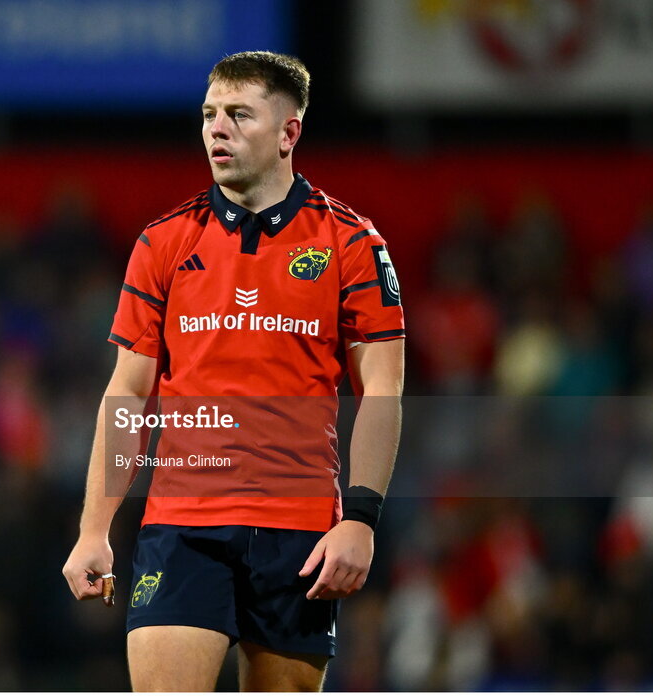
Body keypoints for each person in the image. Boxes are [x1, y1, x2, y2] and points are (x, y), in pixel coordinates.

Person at [62, 51, 405, 691]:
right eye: (210, 114)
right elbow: (127, 393)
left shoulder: (352, 245)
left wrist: (359, 519)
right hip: (182, 527)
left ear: (288, 133)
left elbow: (382, 390)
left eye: (239, 115)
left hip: (299, 536)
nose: (216, 128)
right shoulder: (162, 243)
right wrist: (93, 531)